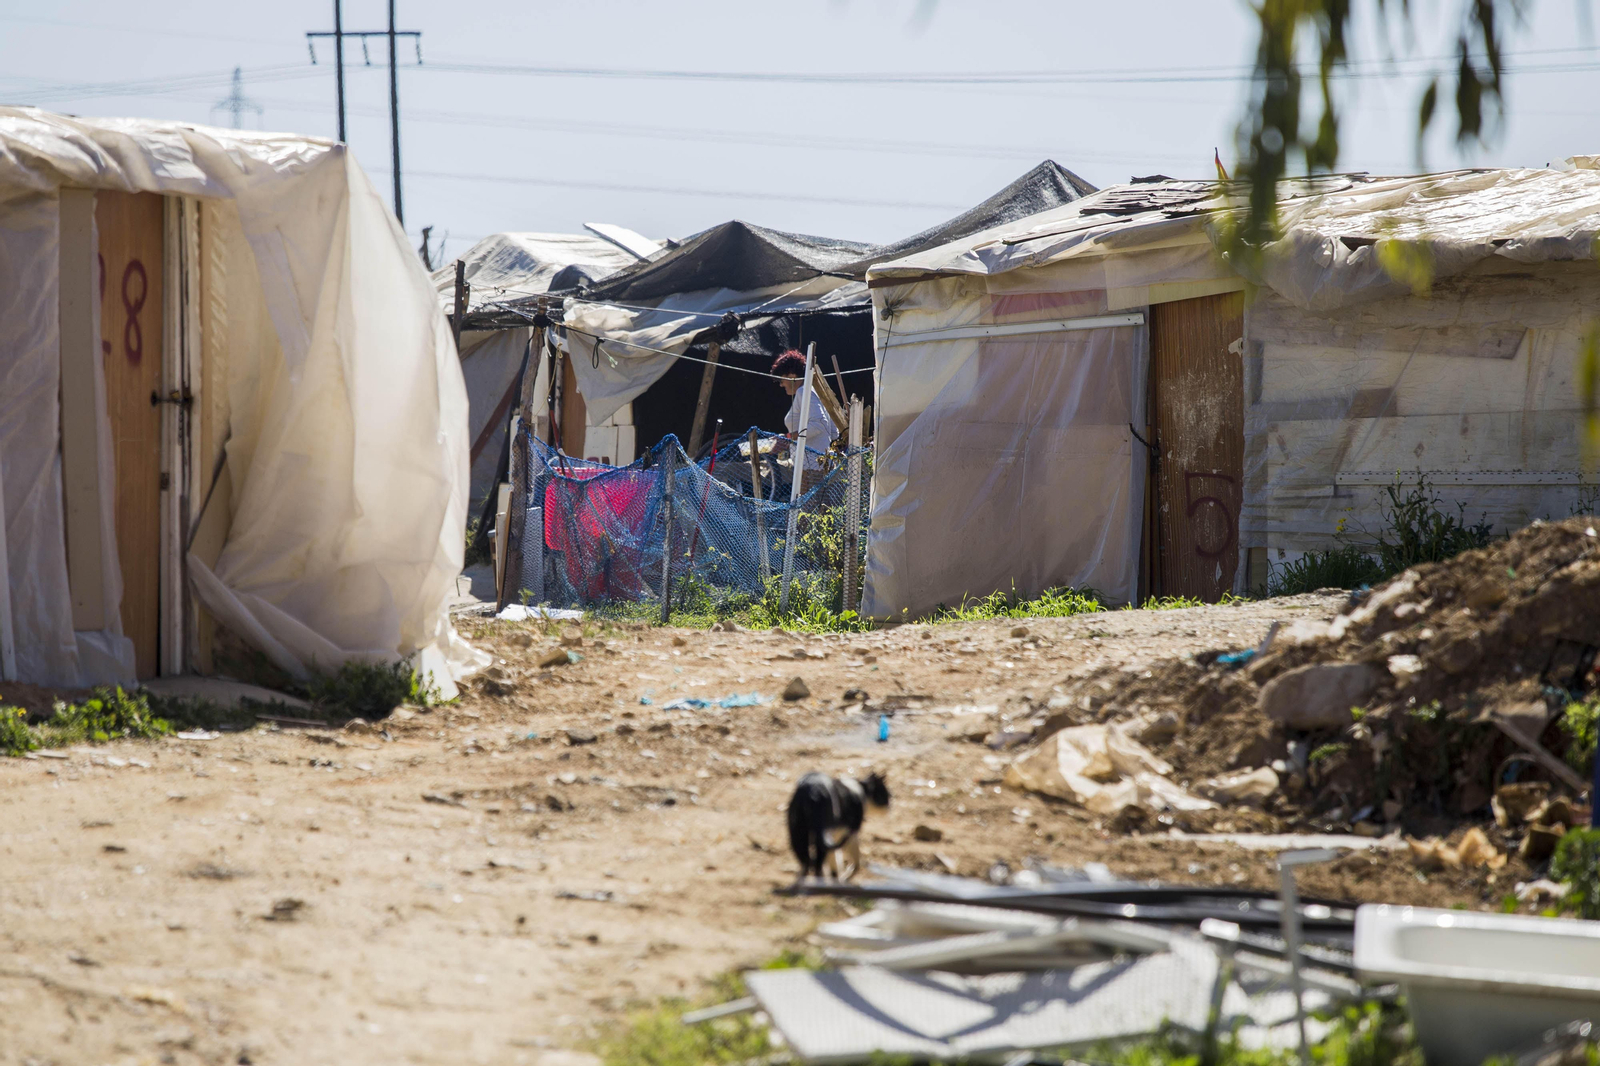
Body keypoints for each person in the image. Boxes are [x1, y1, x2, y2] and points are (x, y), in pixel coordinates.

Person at [772, 349, 836, 476]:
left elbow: (820, 424)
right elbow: (834, 431)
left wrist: (787, 438)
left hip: (812, 468)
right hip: (814, 465)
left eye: (781, 380)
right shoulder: (811, 392)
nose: (780, 385)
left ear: (792, 376)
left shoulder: (804, 392)